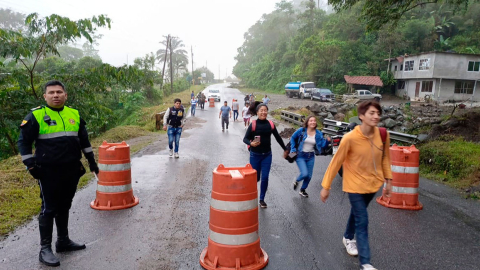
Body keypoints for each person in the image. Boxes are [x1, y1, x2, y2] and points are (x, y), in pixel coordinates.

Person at [17, 80, 98, 267]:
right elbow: (24, 142)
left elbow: (84, 141)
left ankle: (63, 241)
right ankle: (44, 249)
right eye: (51, 92)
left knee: (64, 205)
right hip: (47, 172)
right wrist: (30, 165)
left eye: (59, 92)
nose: (56, 95)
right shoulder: (36, 115)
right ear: (45, 96)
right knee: (49, 208)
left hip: (71, 169)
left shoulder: (74, 114)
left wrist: (92, 162)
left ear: (65, 95)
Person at [320, 101, 393, 270]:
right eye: (372, 113)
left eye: (378, 113)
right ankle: (365, 263)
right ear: (361, 116)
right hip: (353, 185)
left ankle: (347, 236)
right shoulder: (350, 138)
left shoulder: (382, 134)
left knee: (357, 213)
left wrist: (388, 180)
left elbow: (386, 159)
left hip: (372, 185)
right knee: (362, 219)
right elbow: (335, 162)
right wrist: (326, 186)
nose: (376, 116)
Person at [243, 103, 287, 208]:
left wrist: (285, 149)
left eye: (265, 110)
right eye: (261, 110)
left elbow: (278, 138)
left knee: (265, 177)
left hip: (267, 155)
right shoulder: (253, 124)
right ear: (257, 112)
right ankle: (251, 194)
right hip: (255, 155)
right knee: (256, 178)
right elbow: (245, 138)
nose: (263, 112)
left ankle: (262, 199)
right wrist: (251, 143)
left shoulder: (270, 124)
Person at [290, 116, 330, 197]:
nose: (313, 122)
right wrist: (293, 149)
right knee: (304, 173)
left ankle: (302, 190)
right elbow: (293, 138)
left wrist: (327, 141)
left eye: (314, 121)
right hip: (300, 155)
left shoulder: (318, 133)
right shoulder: (302, 130)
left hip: (311, 156)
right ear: (307, 122)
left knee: (309, 176)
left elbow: (322, 145)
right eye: (311, 121)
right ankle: (297, 180)